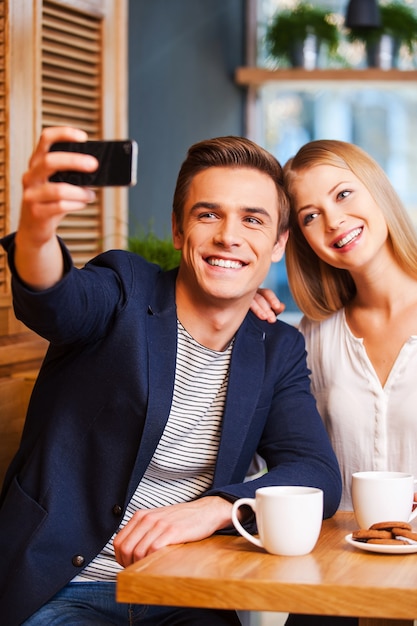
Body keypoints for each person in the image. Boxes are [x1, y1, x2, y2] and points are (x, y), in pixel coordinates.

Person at [0, 126, 341, 626]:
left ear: (277, 244)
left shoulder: (276, 347)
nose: (229, 235)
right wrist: (36, 233)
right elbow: (57, 302)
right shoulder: (124, 291)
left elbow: (317, 474)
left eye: (253, 219)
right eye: (209, 214)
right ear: (179, 231)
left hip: (182, 592)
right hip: (63, 588)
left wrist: (217, 509)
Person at [261, 138, 417, 626]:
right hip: (334, 583)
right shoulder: (306, 341)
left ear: (376, 190)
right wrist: (234, 311)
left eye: (344, 194)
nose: (332, 221)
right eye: (310, 215)